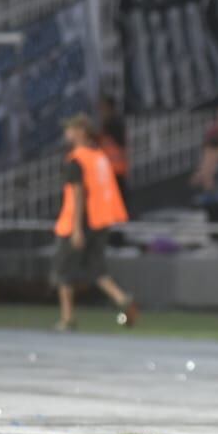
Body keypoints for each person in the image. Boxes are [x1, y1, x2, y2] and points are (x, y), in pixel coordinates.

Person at [53, 114, 137, 331]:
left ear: (81, 132)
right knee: (96, 269)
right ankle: (122, 299)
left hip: (79, 222)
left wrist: (76, 229)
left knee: (63, 271)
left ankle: (67, 318)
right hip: (101, 220)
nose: (66, 134)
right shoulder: (99, 156)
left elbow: (79, 193)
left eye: (70, 129)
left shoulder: (77, 160)